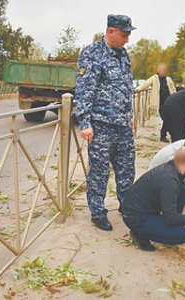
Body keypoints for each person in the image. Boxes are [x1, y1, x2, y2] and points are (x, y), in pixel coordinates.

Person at [75, 14, 136, 231]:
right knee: (99, 171)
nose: (127, 39)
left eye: (128, 35)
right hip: (101, 125)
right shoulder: (92, 54)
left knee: (127, 170)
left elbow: (127, 88)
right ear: (110, 31)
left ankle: (128, 207)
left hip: (123, 124)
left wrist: (131, 115)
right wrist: (85, 122)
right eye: (124, 34)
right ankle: (98, 212)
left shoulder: (123, 55)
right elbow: (84, 90)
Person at [135, 63, 176, 142]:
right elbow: (145, 84)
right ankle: (167, 134)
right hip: (160, 103)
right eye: (161, 70)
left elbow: (173, 89)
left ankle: (165, 135)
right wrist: (137, 89)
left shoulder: (168, 79)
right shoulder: (154, 78)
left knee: (168, 118)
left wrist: (175, 97)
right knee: (166, 118)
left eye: (164, 70)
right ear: (158, 70)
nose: (163, 71)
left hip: (170, 102)